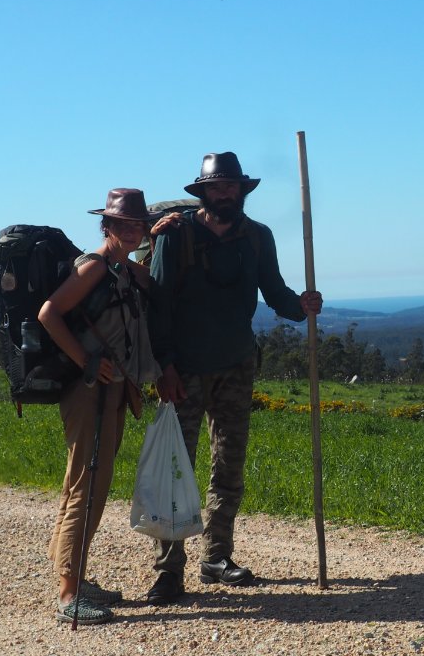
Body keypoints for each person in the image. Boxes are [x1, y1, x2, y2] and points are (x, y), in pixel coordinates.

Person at [146, 151, 323, 605]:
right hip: (181, 371)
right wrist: (163, 365)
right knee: (175, 469)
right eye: (216, 186)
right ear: (203, 192)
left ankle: (216, 558)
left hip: (236, 367)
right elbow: (159, 305)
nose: (225, 193)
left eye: (231, 186)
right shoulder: (176, 235)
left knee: (228, 467)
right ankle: (168, 571)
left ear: (242, 190)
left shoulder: (257, 237)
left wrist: (300, 306)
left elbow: (275, 291)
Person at [38, 188, 164, 624]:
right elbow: (49, 313)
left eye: (139, 225)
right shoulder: (93, 267)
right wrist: (87, 361)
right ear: (106, 226)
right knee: (88, 487)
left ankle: (70, 578)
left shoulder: (124, 270)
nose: (133, 231)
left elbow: (154, 286)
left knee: (84, 483)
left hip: (111, 389)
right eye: (124, 224)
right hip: (89, 389)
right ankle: (69, 594)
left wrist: (159, 238)